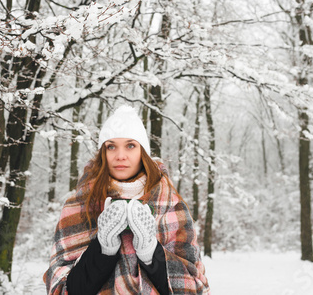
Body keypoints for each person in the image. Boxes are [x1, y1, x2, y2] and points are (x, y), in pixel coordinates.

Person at [44, 105, 209, 294]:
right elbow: (61, 290)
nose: (120, 156)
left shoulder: (171, 205)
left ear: (142, 152)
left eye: (130, 145)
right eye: (111, 146)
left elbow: (196, 289)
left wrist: (150, 252)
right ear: (103, 153)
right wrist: (103, 249)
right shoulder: (78, 205)